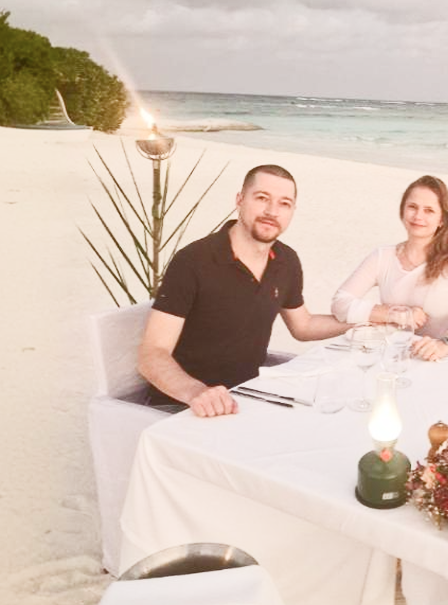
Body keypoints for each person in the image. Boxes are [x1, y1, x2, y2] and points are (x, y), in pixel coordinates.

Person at [138, 163, 351, 417]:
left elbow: (303, 326)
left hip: (247, 397)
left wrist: (362, 321)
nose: (272, 211)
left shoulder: (287, 260)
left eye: (284, 203)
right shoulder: (193, 261)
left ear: (292, 211)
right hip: (182, 406)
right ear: (239, 200)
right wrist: (196, 392)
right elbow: (151, 355)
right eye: (262, 198)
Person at [331, 174, 448, 363]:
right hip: (402, 355)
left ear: (442, 220)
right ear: (402, 211)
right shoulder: (382, 257)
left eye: (429, 210)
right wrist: (395, 314)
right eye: (412, 207)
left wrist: (444, 344)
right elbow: (340, 303)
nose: (418, 216)